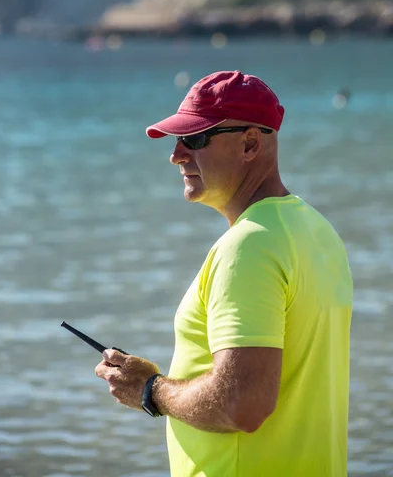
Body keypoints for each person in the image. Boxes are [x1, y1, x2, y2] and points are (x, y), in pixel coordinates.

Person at [95, 70, 353, 477]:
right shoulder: (317, 230)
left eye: (195, 139)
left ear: (250, 143)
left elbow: (243, 404)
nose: (177, 154)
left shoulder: (248, 247)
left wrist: (150, 389)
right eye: (178, 140)